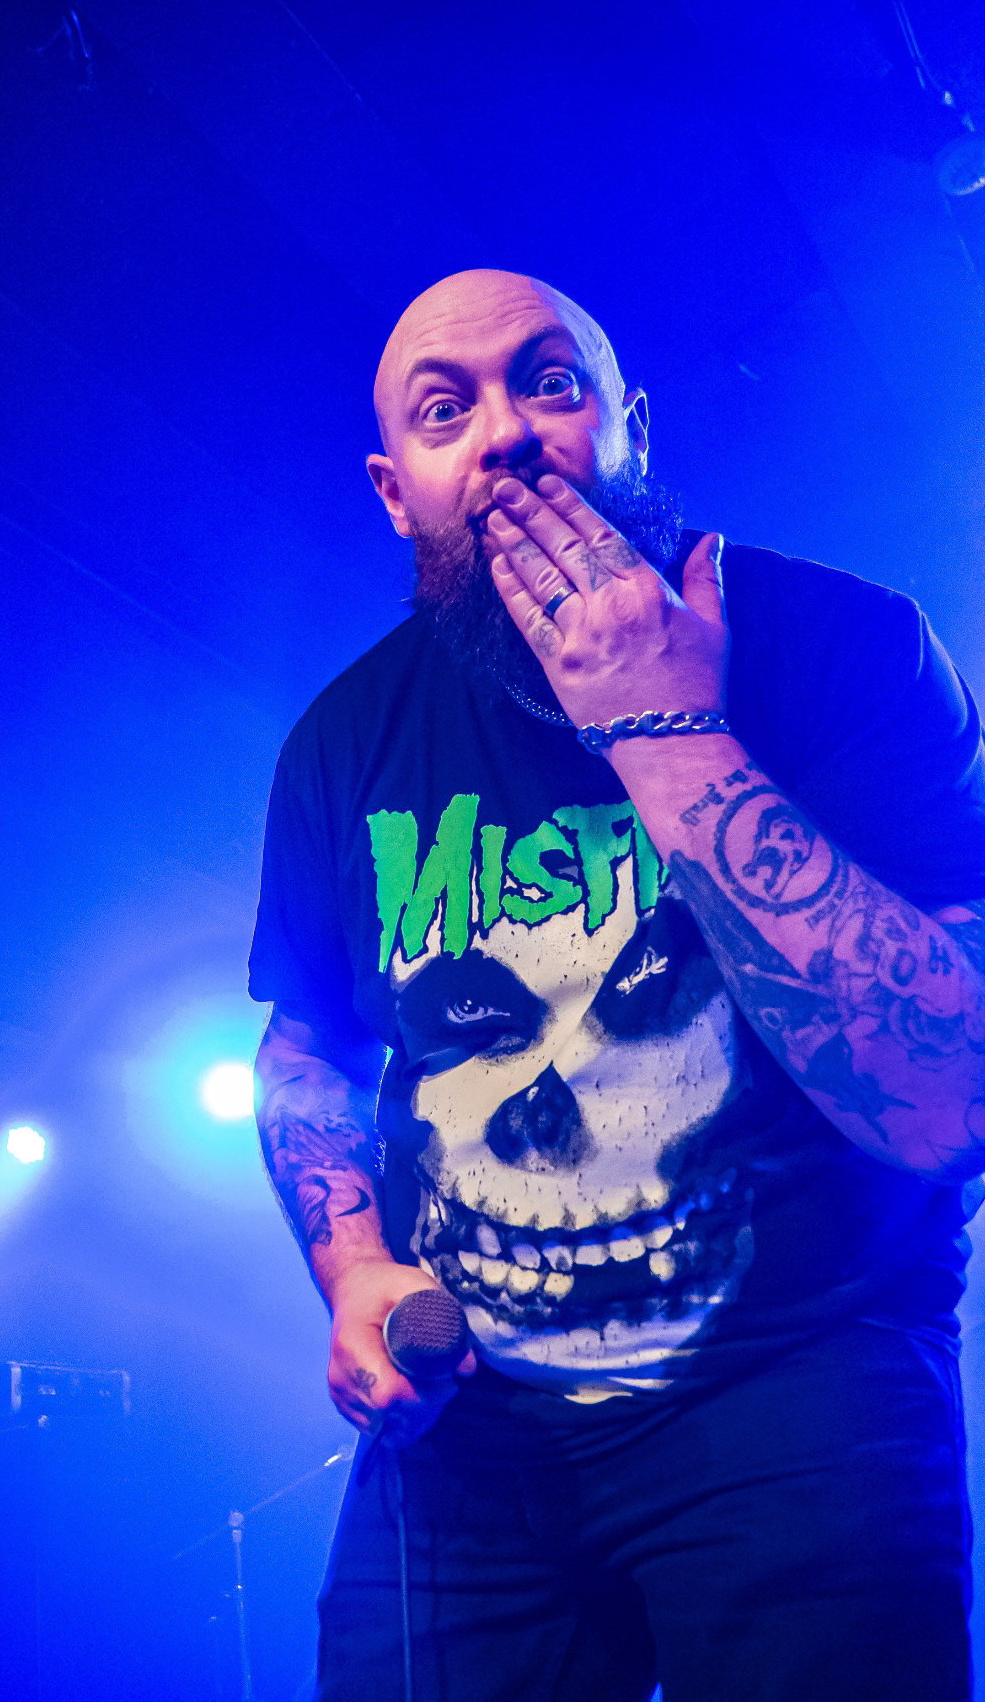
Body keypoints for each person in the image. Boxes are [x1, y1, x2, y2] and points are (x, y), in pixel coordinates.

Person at [248, 269, 985, 1701]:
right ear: (396, 494)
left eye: (550, 382)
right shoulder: (340, 744)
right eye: (445, 411)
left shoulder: (843, 647)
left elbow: (946, 1099)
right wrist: (353, 1268)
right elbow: (305, 1053)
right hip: (471, 1437)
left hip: (800, 1385)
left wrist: (662, 724)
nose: (507, 434)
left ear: (630, 424)